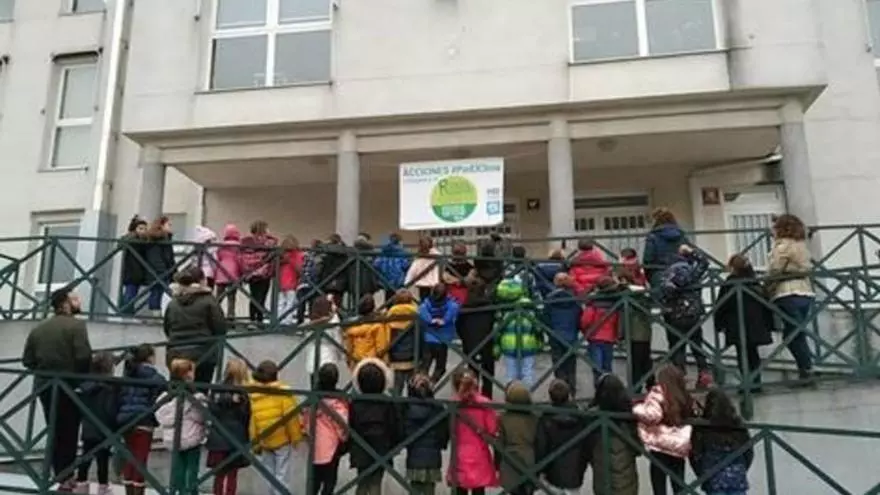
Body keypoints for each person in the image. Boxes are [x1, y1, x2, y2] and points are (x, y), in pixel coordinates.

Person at [21, 287, 93, 491]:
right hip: (69, 385)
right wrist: (81, 378)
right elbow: (83, 357)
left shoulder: (39, 328)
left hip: (45, 385)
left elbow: (27, 360)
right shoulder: (77, 326)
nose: (79, 301)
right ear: (64, 304)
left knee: (54, 429)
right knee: (69, 431)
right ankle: (66, 475)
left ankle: (58, 475)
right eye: (75, 299)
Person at [766, 213, 816, 381]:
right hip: (806, 292)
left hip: (787, 292)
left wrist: (767, 283)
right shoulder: (801, 245)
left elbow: (775, 269)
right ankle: (807, 368)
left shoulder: (781, 246)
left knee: (792, 335)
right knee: (797, 332)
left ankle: (807, 369)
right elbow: (807, 267)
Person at [714, 255, 774, 393]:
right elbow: (766, 304)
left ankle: (747, 383)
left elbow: (721, 305)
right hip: (756, 325)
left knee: (743, 355)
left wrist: (719, 324)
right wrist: (769, 325)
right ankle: (756, 382)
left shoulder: (730, 284)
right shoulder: (755, 283)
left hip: (737, 325)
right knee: (753, 354)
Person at [633, 364, 696, 495]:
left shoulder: (658, 393)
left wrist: (636, 408)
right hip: (678, 446)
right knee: (679, 487)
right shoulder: (684, 396)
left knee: (659, 488)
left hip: (660, 446)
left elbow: (651, 415)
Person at [660, 244, 713, 388]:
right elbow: (705, 262)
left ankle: (680, 377)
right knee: (697, 344)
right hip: (692, 314)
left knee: (677, 347)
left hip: (674, 315)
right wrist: (691, 252)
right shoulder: (692, 271)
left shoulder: (666, 275)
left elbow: (663, 294)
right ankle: (704, 373)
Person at [163, 266, 227, 383]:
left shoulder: (173, 303)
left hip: (176, 353)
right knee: (201, 389)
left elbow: (167, 327)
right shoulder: (209, 301)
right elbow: (220, 328)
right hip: (203, 353)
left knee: (177, 389)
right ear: (202, 281)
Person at [116, 344, 165, 495]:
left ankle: (129, 491)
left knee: (130, 458)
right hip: (144, 420)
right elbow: (162, 394)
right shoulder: (155, 377)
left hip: (125, 419)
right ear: (150, 358)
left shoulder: (128, 374)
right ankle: (138, 492)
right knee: (140, 459)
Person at [249, 360, 303, 495]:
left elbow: (253, 422)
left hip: (264, 439)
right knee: (282, 474)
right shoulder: (283, 393)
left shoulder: (254, 395)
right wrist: (296, 438)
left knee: (269, 474)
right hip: (282, 439)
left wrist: (255, 443)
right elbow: (291, 418)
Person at [349, 358, 402, 495]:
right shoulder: (388, 404)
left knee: (362, 482)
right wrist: (395, 446)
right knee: (376, 482)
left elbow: (350, 426)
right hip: (382, 448)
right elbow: (394, 426)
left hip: (360, 449)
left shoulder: (355, 404)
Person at [155, 359, 208, 495]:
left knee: (177, 469)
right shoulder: (195, 396)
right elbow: (201, 417)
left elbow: (160, 415)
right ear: (187, 375)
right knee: (191, 470)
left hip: (173, 438)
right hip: (192, 437)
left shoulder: (165, 396)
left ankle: (177, 491)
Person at [690, 388, 754, 495]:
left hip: (712, 478)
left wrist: (703, 475)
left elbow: (695, 454)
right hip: (737, 477)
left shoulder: (702, 428)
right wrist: (742, 470)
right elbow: (748, 452)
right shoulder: (738, 425)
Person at [535, 379, 591, 494]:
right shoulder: (581, 417)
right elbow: (587, 446)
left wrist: (539, 470)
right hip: (576, 470)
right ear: (569, 395)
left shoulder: (546, 419)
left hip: (553, 472)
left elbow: (541, 447)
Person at [447, 368, 498, 495]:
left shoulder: (453, 404)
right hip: (479, 452)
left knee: (459, 489)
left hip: (459, 453)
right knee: (479, 489)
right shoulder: (485, 403)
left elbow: (449, 428)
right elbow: (492, 429)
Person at [74, 353, 118, 495]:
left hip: (88, 426)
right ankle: (103, 487)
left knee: (86, 456)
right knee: (103, 458)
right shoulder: (109, 387)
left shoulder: (85, 386)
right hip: (104, 427)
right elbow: (110, 409)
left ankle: (81, 484)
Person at [205, 359, 251, 495]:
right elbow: (245, 415)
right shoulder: (244, 392)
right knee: (232, 474)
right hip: (237, 436)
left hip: (218, 435)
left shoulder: (216, 388)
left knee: (219, 474)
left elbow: (211, 410)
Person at [302, 363, 349, 495]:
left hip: (315, 446)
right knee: (329, 482)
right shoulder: (338, 403)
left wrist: (307, 435)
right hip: (331, 447)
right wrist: (344, 438)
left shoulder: (311, 402)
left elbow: (305, 421)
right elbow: (341, 425)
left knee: (314, 482)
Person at [590, 374, 640, 495]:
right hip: (626, 482)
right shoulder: (629, 418)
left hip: (603, 482)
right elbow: (638, 449)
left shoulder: (592, 418)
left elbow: (587, 449)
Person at [404, 373, 450, 495]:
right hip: (433, 456)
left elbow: (405, 432)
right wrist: (441, 444)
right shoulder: (438, 408)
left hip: (414, 455)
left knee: (414, 487)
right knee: (429, 489)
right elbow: (443, 433)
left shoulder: (407, 408)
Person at [494, 279, 541, 387]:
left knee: (511, 373)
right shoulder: (529, 306)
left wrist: (496, 344)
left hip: (508, 344)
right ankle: (526, 394)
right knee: (527, 372)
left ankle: (512, 394)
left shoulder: (502, 309)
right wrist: (539, 340)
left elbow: (497, 329)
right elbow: (537, 327)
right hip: (529, 343)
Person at [456, 277, 497, 398]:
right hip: (486, 342)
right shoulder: (490, 307)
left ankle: (473, 397)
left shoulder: (464, 308)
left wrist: (465, 338)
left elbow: (459, 326)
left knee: (472, 372)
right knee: (488, 373)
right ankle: (487, 398)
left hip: (470, 343)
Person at [617, 272, 655, 392]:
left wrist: (620, 336)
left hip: (633, 334)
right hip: (645, 333)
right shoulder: (643, 294)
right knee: (645, 360)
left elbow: (624, 318)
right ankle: (651, 384)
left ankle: (636, 388)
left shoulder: (626, 297)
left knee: (636, 363)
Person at [497, 381, 538, 495]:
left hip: (510, 457)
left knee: (514, 490)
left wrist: (497, 463)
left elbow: (500, 442)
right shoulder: (534, 417)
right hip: (529, 456)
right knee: (528, 489)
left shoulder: (503, 418)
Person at [544, 273, 581, 394]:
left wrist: (550, 332)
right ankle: (572, 391)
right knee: (571, 365)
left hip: (555, 334)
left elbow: (546, 318)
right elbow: (579, 317)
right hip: (571, 334)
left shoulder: (550, 298)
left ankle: (560, 391)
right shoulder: (574, 299)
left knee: (558, 364)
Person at [581, 277, 622, 385]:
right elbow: (618, 321)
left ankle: (599, 388)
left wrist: (586, 332)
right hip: (609, 337)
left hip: (595, 337)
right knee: (607, 367)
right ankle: (609, 388)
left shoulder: (593, 302)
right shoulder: (616, 302)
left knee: (597, 367)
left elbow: (586, 320)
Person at [418, 284, 460, 383]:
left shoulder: (426, 304)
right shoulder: (451, 304)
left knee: (425, 366)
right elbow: (454, 309)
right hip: (442, 339)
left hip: (428, 338)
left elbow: (422, 311)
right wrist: (444, 320)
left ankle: (421, 385)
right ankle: (432, 384)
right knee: (440, 367)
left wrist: (431, 320)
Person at [240, 220, 279, 326]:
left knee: (254, 297)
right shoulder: (269, 242)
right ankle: (259, 320)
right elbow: (270, 255)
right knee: (261, 297)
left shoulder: (247, 242)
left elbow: (244, 257)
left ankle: (253, 319)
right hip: (264, 273)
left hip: (252, 273)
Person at [384, 290, 421, 395]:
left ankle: (396, 403)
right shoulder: (416, 315)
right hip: (412, 355)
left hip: (396, 356)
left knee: (397, 387)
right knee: (412, 387)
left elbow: (386, 338)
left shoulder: (389, 316)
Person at [643, 208, 689, 290]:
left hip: (660, 275)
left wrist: (650, 277)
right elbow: (689, 255)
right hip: (682, 275)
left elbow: (648, 260)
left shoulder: (653, 236)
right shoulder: (682, 235)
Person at [304, 297, 343, 385]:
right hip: (329, 359)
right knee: (328, 387)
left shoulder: (309, 321)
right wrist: (340, 355)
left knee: (314, 386)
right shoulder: (334, 321)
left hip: (313, 358)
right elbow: (337, 340)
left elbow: (306, 339)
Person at [143, 216, 176, 317]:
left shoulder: (165, 238)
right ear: (161, 225)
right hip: (158, 271)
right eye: (168, 224)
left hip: (164, 270)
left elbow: (169, 256)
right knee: (157, 292)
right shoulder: (157, 239)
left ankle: (159, 313)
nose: (170, 226)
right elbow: (155, 257)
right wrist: (164, 270)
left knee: (160, 292)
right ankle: (155, 314)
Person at [344, 295, 390, 368]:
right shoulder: (377, 326)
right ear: (373, 307)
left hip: (357, 362)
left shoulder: (352, 328)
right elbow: (381, 348)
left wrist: (349, 361)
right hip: (373, 363)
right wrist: (385, 363)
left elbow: (349, 348)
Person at [119, 216, 148, 316]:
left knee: (131, 294)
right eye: (141, 228)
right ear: (134, 229)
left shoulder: (141, 241)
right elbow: (121, 244)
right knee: (130, 294)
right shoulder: (132, 240)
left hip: (136, 272)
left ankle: (126, 312)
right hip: (131, 272)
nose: (143, 231)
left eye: (145, 229)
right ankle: (126, 313)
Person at [214, 224, 243, 321]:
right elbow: (240, 260)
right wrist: (242, 274)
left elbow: (217, 257)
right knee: (232, 297)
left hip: (221, 272)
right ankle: (231, 316)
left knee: (219, 297)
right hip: (234, 273)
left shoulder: (221, 245)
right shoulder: (239, 246)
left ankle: (215, 315)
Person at [374, 233, 412, 301]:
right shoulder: (402, 252)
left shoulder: (384, 251)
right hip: (398, 280)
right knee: (399, 299)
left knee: (388, 299)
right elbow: (406, 265)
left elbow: (376, 264)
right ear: (399, 242)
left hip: (386, 280)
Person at [317, 234, 349, 310]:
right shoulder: (345, 252)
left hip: (328, 280)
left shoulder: (327, 252)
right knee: (337, 302)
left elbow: (322, 268)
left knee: (328, 303)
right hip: (340, 281)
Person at [278, 235, 305, 325]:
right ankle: (286, 320)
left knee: (282, 302)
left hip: (282, 281)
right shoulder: (297, 255)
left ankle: (280, 320)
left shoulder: (281, 255)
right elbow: (299, 269)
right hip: (290, 281)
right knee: (289, 302)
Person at [406, 236, 441, 301]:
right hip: (433, 282)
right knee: (433, 301)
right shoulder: (437, 255)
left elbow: (412, 270)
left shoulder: (419, 256)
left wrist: (407, 283)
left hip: (423, 283)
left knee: (424, 301)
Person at [297, 239, 323, 324]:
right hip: (313, 284)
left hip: (303, 283)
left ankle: (300, 322)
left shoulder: (306, 256)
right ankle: (311, 323)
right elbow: (317, 272)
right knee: (312, 305)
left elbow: (302, 268)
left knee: (301, 304)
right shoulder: (319, 258)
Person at [349, 234, 380, 302]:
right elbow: (377, 267)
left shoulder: (351, 252)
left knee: (356, 302)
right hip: (369, 283)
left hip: (354, 282)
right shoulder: (372, 253)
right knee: (368, 302)